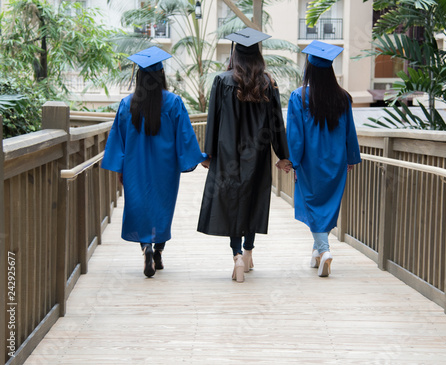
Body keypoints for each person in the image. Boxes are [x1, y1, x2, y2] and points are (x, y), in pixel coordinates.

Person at [101, 46, 207, 278]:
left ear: (139, 77)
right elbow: (185, 136)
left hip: (134, 168)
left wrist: (120, 168)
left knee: (139, 206)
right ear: (161, 75)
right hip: (165, 169)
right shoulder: (173, 102)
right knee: (161, 208)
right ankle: (158, 251)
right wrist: (196, 158)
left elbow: (118, 140)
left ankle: (146, 247)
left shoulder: (127, 104)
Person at [197, 28, 291, 283]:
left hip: (228, 154)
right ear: (257, 55)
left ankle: (237, 254)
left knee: (232, 201)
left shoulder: (222, 81)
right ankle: (249, 252)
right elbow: (276, 124)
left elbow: (213, 120)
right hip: (257, 155)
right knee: (253, 199)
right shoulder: (268, 84)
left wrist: (209, 154)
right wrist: (282, 154)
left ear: (234, 53)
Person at [286, 41, 361, 278]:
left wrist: (293, 161)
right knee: (326, 207)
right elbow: (350, 132)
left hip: (310, 163)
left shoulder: (299, 97)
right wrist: (350, 158)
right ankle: (317, 252)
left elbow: (295, 136)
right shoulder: (343, 98)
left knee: (312, 205)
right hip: (336, 163)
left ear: (309, 69)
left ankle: (326, 251)